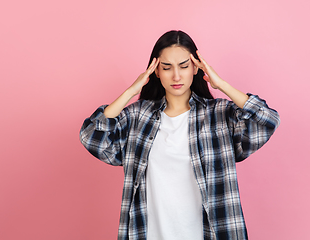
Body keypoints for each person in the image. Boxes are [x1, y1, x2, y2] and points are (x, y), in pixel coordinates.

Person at [79, 30, 280, 240]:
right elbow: (92, 137)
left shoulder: (219, 115)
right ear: (156, 71)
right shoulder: (138, 117)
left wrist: (221, 85)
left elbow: (267, 119)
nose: (176, 76)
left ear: (196, 67)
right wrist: (131, 91)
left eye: (184, 66)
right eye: (167, 67)